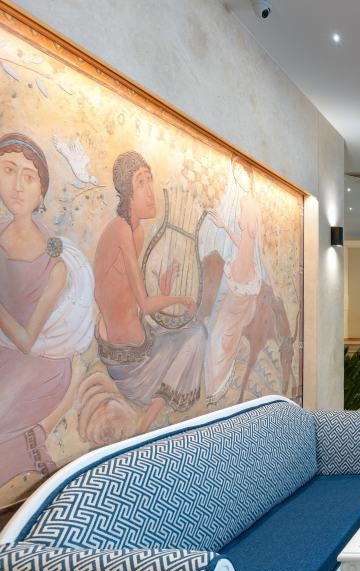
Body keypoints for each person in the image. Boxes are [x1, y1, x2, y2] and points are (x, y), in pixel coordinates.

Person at [0, 133, 93, 496]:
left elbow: (26, 341)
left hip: (39, 365)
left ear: (41, 192)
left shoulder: (56, 261)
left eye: (28, 177)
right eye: (8, 170)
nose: (17, 186)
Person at [93, 151, 206, 433]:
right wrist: (178, 298)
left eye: (150, 180)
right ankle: (142, 430)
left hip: (142, 341)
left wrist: (163, 291)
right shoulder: (120, 230)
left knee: (196, 331)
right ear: (127, 194)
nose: (150, 191)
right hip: (128, 361)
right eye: (140, 182)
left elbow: (130, 298)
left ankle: (145, 425)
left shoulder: (137, 232)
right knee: (196, 336)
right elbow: (143, 303)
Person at [202, 157, 277, 405]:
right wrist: (224, 226)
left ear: (249, 175)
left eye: (242, 173)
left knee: (223, 335)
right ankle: (214, 390)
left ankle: (216, 388)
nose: (240, 178)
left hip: (245, 280)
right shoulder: (244, 202)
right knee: (217, 332)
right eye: (236, 175)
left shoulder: (253, 206)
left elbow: (260, 252)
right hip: (236, 273)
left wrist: (274, 284)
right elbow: (243, 243)